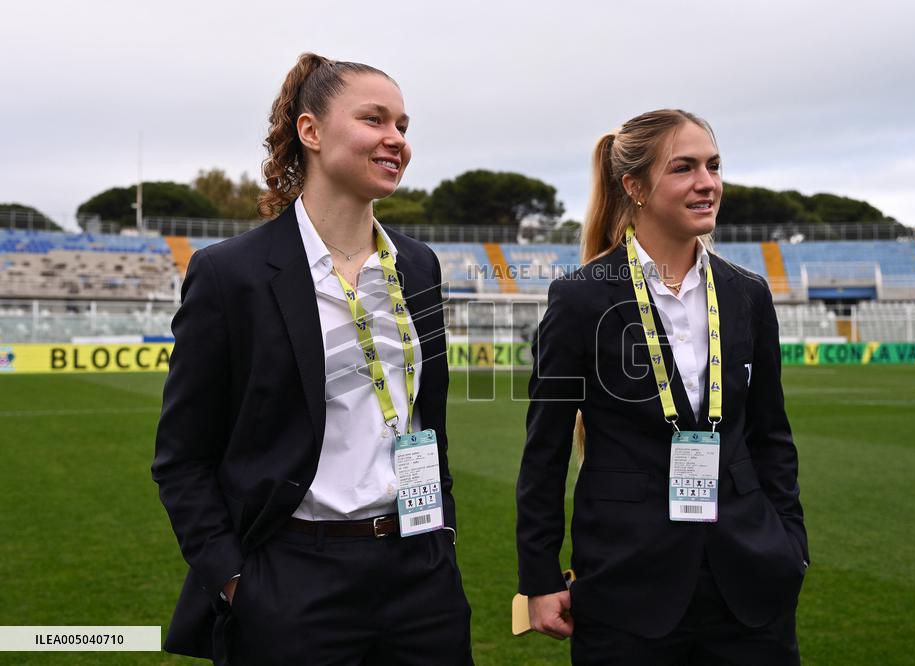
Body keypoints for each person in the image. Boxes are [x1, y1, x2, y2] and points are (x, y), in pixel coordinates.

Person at [153, 53, 472, 665]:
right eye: (374, 119)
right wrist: (235, 579)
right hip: (294, 578)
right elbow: (181, 459)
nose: (396, 140)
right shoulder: (231, 274)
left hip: (421, 571)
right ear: (312, 132)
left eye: (403, 126)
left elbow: (426, 423)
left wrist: (442, 536)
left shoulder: (420, 266)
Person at [515, 109, 808, 665]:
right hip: (627, 584)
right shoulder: (580, 298)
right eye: (684, 168)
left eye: (714, 166)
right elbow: (545, 451)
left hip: (750, 579)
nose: (707, 182)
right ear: (635, 186)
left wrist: (792, 545)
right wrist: (539, 575)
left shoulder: (747, 293)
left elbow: (772, 436)